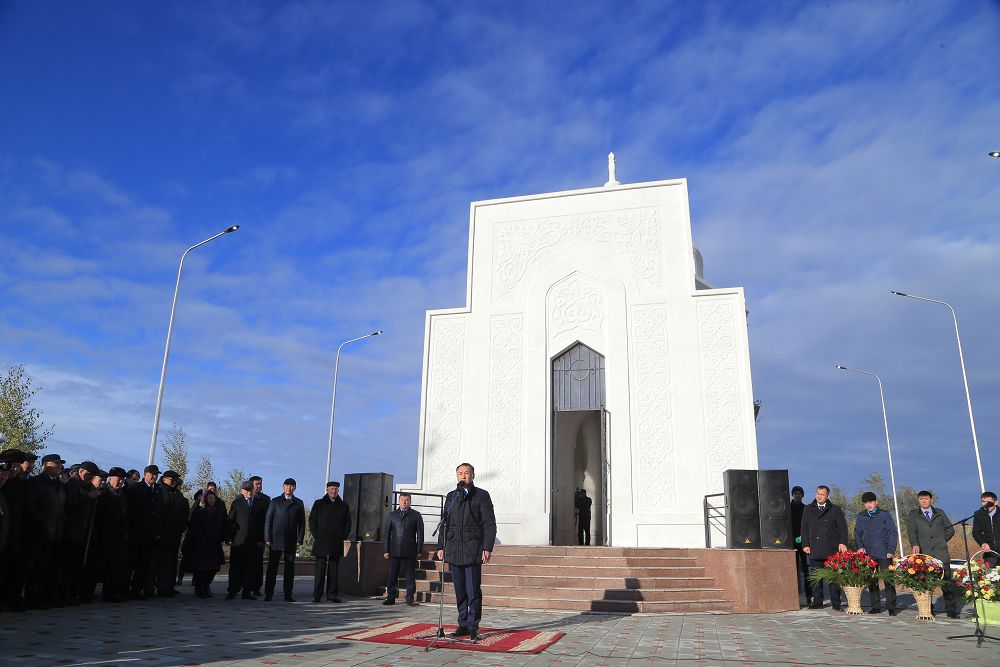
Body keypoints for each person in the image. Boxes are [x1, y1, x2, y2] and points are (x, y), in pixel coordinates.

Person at [436, 463, 497, 641]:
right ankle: (462, 624)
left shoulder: (482, 496)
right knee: (460, 591)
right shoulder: (451, 496)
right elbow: (444, 524)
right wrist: (441, 546)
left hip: (473, 550)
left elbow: (489, 524)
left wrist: (487, 547)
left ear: (473, 475)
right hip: (454, 550)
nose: (463, 476)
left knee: (473, 591)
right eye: (460, 474)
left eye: (467, 473)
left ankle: (473, 626)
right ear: (457, 477)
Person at [908, 490, 961, 618]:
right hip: (924, 555)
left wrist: (941, 540)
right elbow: (911, 531)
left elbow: (950, 530)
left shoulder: (940, 513)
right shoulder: (914, 514)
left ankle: (951, 610)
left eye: (926, 498)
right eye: (921, 499)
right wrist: (915, 544)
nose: (924, 500)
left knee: (947, 582)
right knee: (925, 583)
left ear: (931, 500)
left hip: (941, 553)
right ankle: (927, 609)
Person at [24, 453, 67, 609]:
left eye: (60, 464)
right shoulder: (36, 482)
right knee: (32, 567)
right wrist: (41, 522)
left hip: (54, 533)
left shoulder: (58, 484)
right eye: (56, 463)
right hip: (38, 532)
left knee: (45, 568)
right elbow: (31, 505)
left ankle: (39, 596)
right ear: (45, 465)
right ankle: (29, 598)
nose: (59, 466)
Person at [799, 485, 848, 611]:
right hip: (815, 548)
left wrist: (842, 542)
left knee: (834, 578)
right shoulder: (809, 509)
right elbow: (804, 528)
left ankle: (836, 603)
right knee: (816, 578)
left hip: (831, 548)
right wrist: (805, 544)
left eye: (822, 494)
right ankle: (818, 601)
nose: (819, 496)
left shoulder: (835, 509)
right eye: (817, 493)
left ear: (828, 496)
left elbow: (842, 528)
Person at [854, 491, 898, 615]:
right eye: (866, 503)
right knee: (871, 581)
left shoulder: (884, 514)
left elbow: (892, 533)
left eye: (871, 502)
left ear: (876, 502)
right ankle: (876, 606)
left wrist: (891, 550)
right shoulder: (861, 516)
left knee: (888, 580)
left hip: (884, 553)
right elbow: (857, 533)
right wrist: (860, 547)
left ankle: (891, 607)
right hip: (868, 553)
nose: (869, 505)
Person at [263, 478, 306, 602]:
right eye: (287, 486)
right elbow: (268, 521)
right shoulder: (275, 501)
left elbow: (302, 523)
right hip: (275, 541)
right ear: (283, 487)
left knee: (289, 570)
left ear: (295, 488)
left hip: (290, 541)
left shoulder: (298, 503)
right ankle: (268, 594)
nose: (289, 488)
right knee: (272, 569)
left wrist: (299, 539)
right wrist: (267, 538)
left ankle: (288, 594)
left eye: (292, 486)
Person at [309, 481, 351, 603]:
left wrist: (343, 535)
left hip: (336, 542)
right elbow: (312, 520)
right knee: (320, 569)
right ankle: (317, 594)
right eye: (332, 489)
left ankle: (332, 594)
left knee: (333, 569)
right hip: (321, 541)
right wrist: (316, 534)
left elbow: (348, 523)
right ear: (327, 490)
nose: (334, 491)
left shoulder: (343, 505)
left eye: (336, 489)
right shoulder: (319, 504)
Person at [126, 464, 161, 599]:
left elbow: (158, 513)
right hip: (136, 533)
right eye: (152, 473)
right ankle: (124, 588)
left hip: (150, 535)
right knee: (131, 563)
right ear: (145, 474)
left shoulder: (157, 490)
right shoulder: (136, 489)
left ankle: (136, 590)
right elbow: (130, 511)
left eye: (156, 474)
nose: (154, 476)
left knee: (144, 565)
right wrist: (129, 530)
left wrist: (157, 531)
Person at [383, 492, 424, 606]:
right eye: (402, 499)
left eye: (406, 500)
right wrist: (386, 550)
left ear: (410, 501)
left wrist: (419, 550)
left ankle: (410, 598)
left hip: (409, 550)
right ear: (399, 501)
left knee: (410, 575)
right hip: (394, 549)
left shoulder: (416, 515)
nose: (404, 502)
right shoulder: (392, 515)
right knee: (392, 574)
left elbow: (420, 535)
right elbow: (386, 534)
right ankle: (391, 597)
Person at [96, 467, 130, 603]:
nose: (120, 481)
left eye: (122, 478)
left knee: (115, 566)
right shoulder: (103, 493)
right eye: (118, 478)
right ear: (110, 478)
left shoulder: (123, 495)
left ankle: (110, 592)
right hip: (104, 534)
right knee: (99, 565)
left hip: (119, 535)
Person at [188, 490, 227, 599]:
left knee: (213, 568)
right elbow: (194, 528)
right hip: (202, 544)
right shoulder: (199, 512)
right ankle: (200, 589)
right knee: (202, 568)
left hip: (214, 543)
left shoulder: (216, 512)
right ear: (204, 499)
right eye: (209, 498)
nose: (211, 500)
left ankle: (206, 586)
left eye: (213, 498)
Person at [155, 470, 189, 597]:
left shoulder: (177, 495)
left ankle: (169, 586)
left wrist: (181, 527)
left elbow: (183, 514)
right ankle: (162, 588)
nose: (174, 481)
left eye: (175, 479)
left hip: (175, 534)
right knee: (163, 562)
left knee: (172, 562)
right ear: (164, 479)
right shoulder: (159, 491)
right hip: (162, 534)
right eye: (171, 479)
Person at [227, 480, 258, 600]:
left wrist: (261, 539)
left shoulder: (258, 504)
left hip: (253, 542)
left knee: (250, 567)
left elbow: (261, 522)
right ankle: (232, 591)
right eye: (246, 490)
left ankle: (247, 591)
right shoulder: (237, 503)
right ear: (242, 491)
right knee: (235, 567)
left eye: (250, 489)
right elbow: (230, 521)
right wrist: (228, 537)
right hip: (238, 541)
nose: (249, 492)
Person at [789, 485, 811, 606]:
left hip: (804, 543)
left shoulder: (806, 509)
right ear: (793, 495)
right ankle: (794, 597)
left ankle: (809, 596)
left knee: (807, 570)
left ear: (803, 495)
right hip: (791, 542)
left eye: (800, 493)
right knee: (793, 570)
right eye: (795, 493)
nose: (797, 495)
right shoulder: (787, 508)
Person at [248, 475, 270, 597]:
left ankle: (256, 587)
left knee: (257, 564)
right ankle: (245, 586)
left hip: (259, 538)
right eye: (257, 484)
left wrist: (266, 537)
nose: (259, 486)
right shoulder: (242, 498)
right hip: (245, 537)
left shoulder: (266, 500)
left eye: (260, 483)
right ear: (251, 484)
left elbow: (268, 519)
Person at [972, 491, 999, 567]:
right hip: (990, 553)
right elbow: (976, 532)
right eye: (983, 501)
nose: (985, 504)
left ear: (995, 502)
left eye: (988, 502)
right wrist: (983, 543)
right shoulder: (978, 514)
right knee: (990, 576)